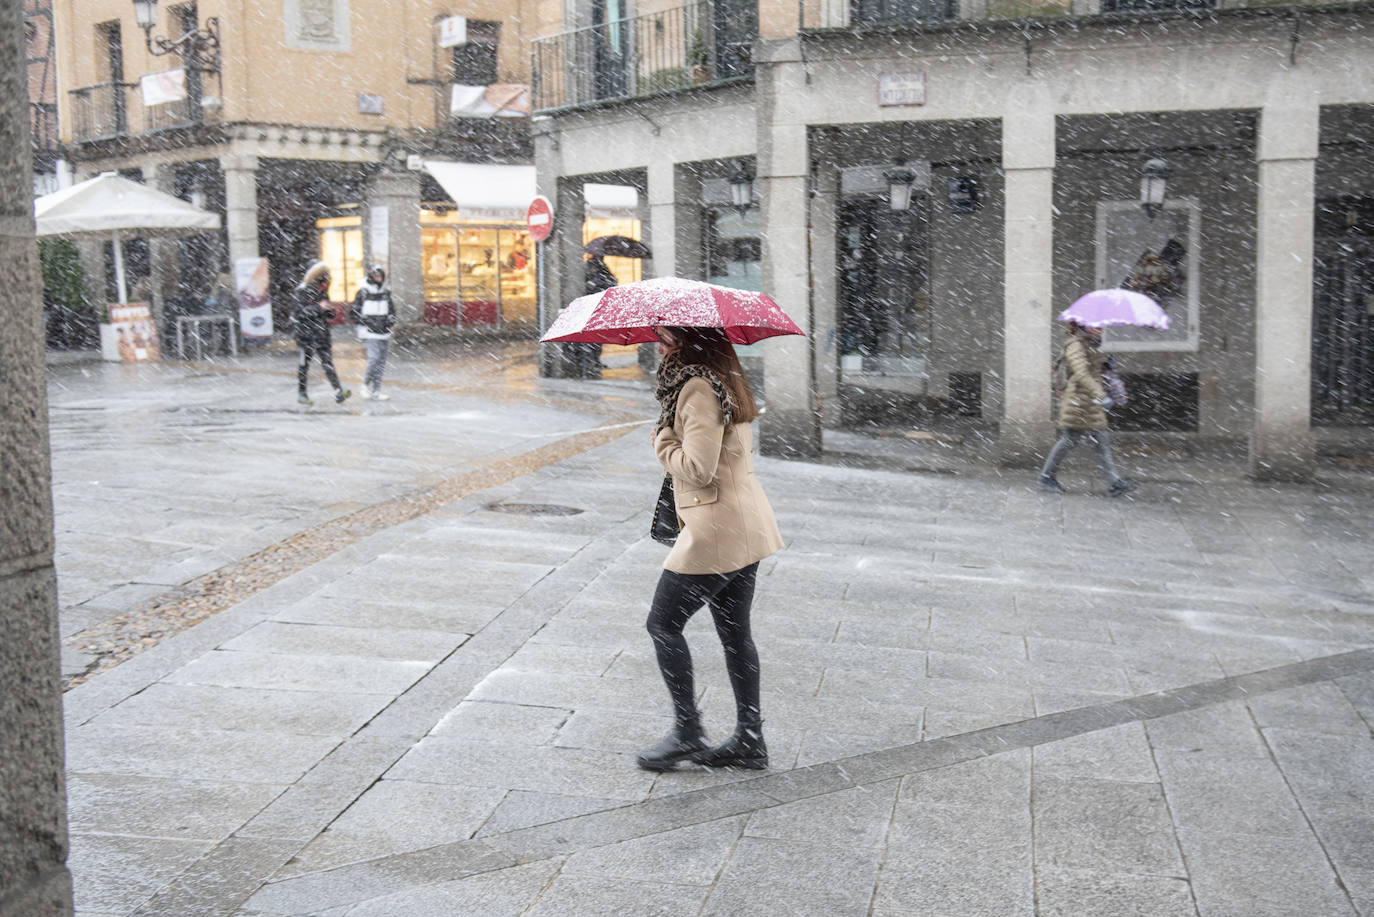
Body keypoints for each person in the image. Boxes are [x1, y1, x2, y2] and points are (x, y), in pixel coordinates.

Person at [636, 325, 785, 772]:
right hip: (743, 524)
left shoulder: (697, 386)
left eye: (665, 338)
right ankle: (749, 737)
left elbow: (698, 468)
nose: (659, 346)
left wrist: (662, 439)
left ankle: (687, 730)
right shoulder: (726, 378)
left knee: (662, 624)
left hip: (717, 528)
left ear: (686, 341)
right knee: (735, 633)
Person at [1038, 320, 1136, 496]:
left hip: (1088, 399)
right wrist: (1101, 395)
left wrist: (1106, 365)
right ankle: (1046, 476)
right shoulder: (1075, 344)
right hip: (1079, 400)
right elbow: (1081, 373)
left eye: (1102, 326)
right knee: (1070, 440)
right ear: (1084, 326)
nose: (1100, 329)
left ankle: (1114, 481)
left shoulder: (1090, 343)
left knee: (1096, 440)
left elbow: (1092, 371)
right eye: (1095, 326)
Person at [293, 260, 350, 406]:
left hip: (321, 333)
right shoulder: (302, 291)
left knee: (328, 364)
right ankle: (302, 394)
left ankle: (338, 391)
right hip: (306, 335)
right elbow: (298, 313)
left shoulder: (322, 291)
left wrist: (330, 311)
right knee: (304, 365)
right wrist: (319, 308)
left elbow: (326, 314)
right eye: (322, 275)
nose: (325, 278)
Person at [349, 263, 397, 400]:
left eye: (380, 276)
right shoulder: (363, 292)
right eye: (376, 276)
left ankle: (376, 390)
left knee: (381, 361)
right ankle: (365, 385)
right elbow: (354, 313)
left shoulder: (386, 293)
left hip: (383, 331)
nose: (378, 278)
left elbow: (392, 311)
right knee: (374, 359)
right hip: (369, 332)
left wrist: (389, 322)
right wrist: (368, 322)